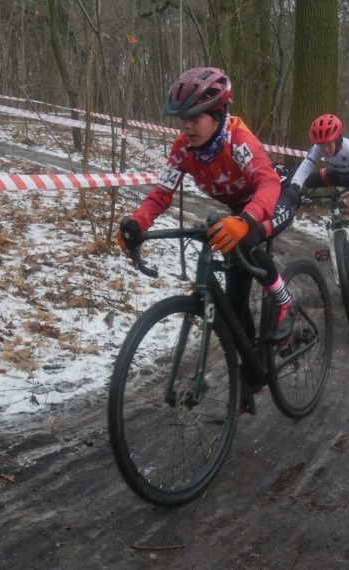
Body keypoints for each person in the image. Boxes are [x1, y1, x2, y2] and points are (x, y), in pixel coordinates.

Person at [116, 67, 300, 412]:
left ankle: (284, 300)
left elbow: (267, 184)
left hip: (277, 196)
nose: (185, 127)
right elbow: (161, 193)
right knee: (234, 302)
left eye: (194, 118)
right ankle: (252, 373)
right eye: (181, 119)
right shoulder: (184, 149)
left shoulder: (238, 140)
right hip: (239, 209)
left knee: (245, 238)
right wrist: (138, 222)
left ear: (217, 116)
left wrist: (245, 220)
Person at [289, 113, 349, 297]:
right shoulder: (318, 149)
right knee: (308, 181)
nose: (325, 149)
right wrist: (294, 187)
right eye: (321, 145)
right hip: (340, 175)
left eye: (329, 144)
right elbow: (306, 166)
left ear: (338, 138)